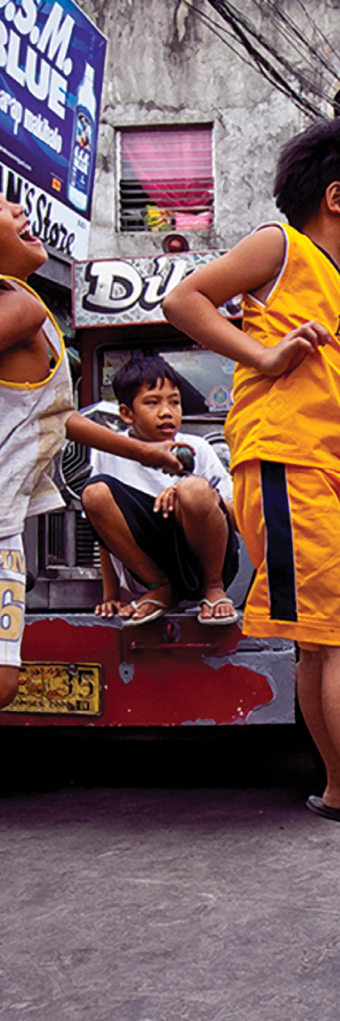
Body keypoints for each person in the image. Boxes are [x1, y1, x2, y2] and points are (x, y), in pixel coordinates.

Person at [161, 116, 340, 901]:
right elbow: (184, 299)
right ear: (337, 200)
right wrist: (260, 353)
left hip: (335, 476)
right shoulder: (282, 248)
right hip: (284, 466)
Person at [0, 198, 181, 709]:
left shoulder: (24, 306)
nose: (17, 206)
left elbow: (58, 418)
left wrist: (145, 454)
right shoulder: (24, 308)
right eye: (0, 204)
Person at [81, 354, 240, 626]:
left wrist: (187, 491)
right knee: (93, 493)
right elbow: (104, 534)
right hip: (148, 568)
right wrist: (110, 594)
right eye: (152, 403)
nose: (167, 412)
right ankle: (160, 587)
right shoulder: (107, 453)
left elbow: (237, 517)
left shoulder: (198, 447)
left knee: (194, 490)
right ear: (126, 413)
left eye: (174, 402)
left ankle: (214, 590)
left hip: (202, 565)